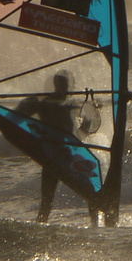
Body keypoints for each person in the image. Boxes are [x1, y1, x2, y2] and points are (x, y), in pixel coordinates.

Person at [15, 72, 107, 225]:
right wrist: (28, 103)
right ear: (55, 85)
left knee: (91, 190)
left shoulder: (71, 103)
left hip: (69, 155)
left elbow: (87, 123)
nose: (63, 89)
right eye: (60, 85)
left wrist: (92, 107)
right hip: (51, 156)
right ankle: (41, 227)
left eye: (66, 86)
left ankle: (96, 226)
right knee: (47, 200)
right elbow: (19, 115)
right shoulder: (44, 103)